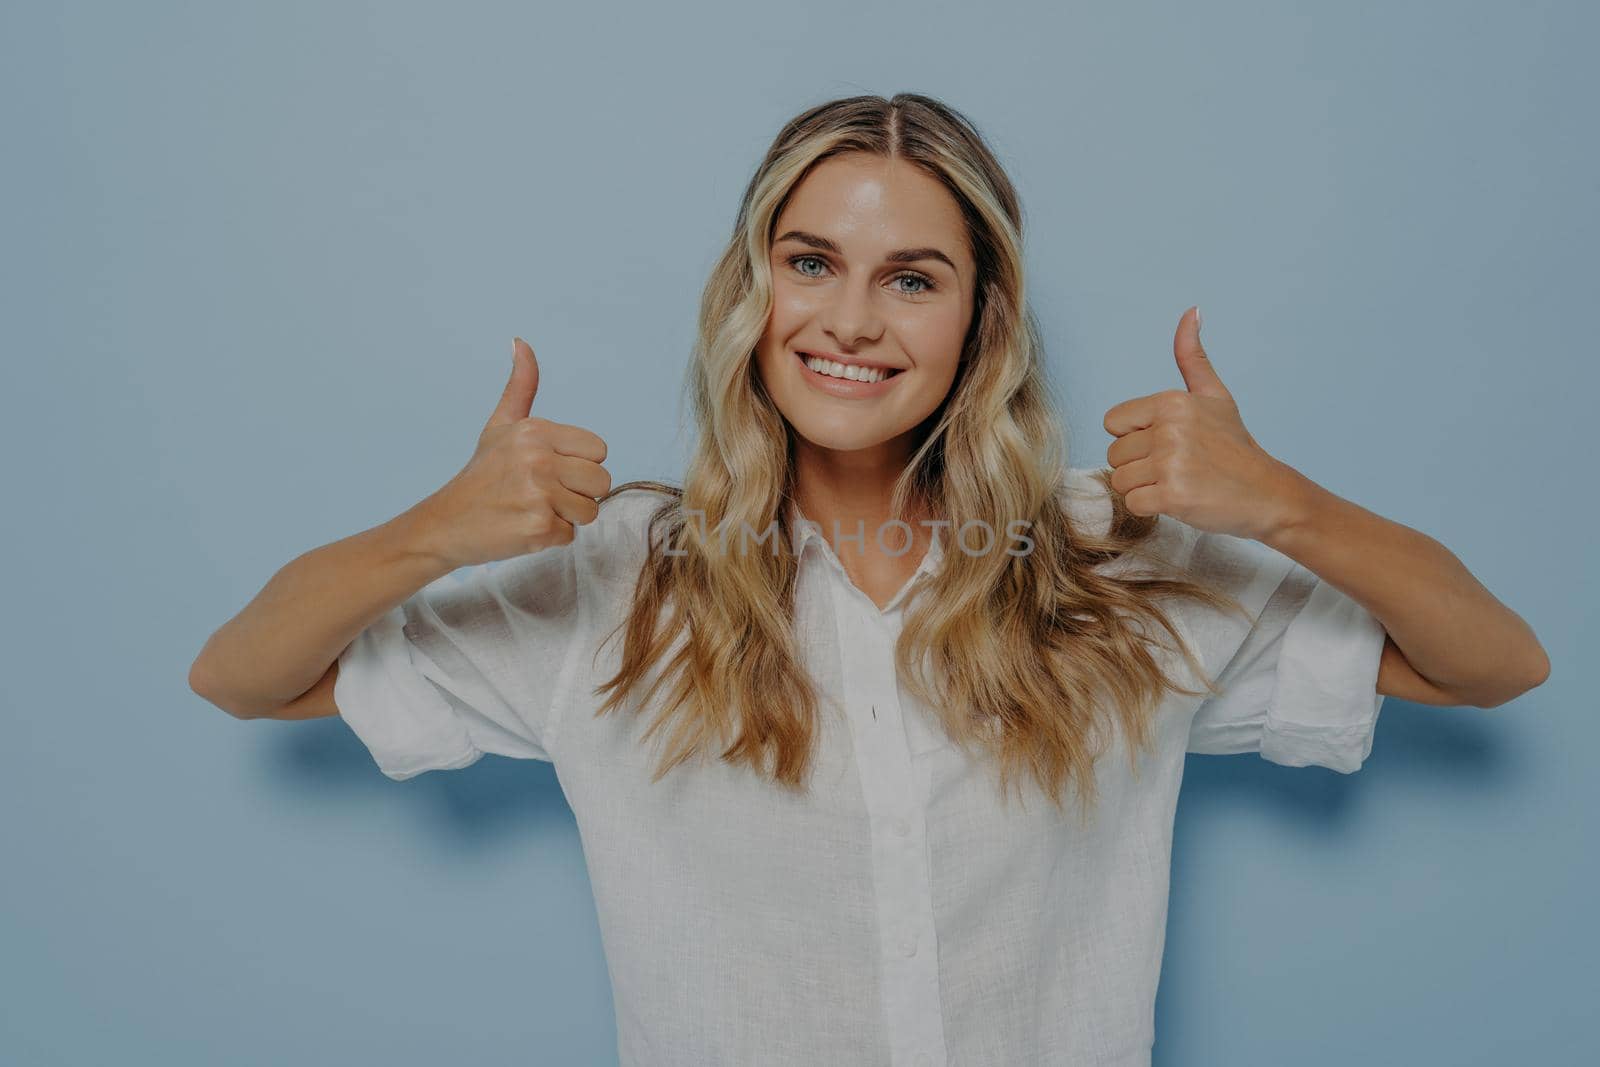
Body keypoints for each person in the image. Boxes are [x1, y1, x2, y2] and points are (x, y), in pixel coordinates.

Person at [189, 93, 1549, 1067]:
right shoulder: (612, 581)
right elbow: (244, 678)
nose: (849, 320)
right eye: (810, 264)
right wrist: (435, 530)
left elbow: (1492, 663)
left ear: (982, 322)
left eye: (913, 278)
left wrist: (1286, 505)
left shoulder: (1113, 567)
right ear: (752, 291)